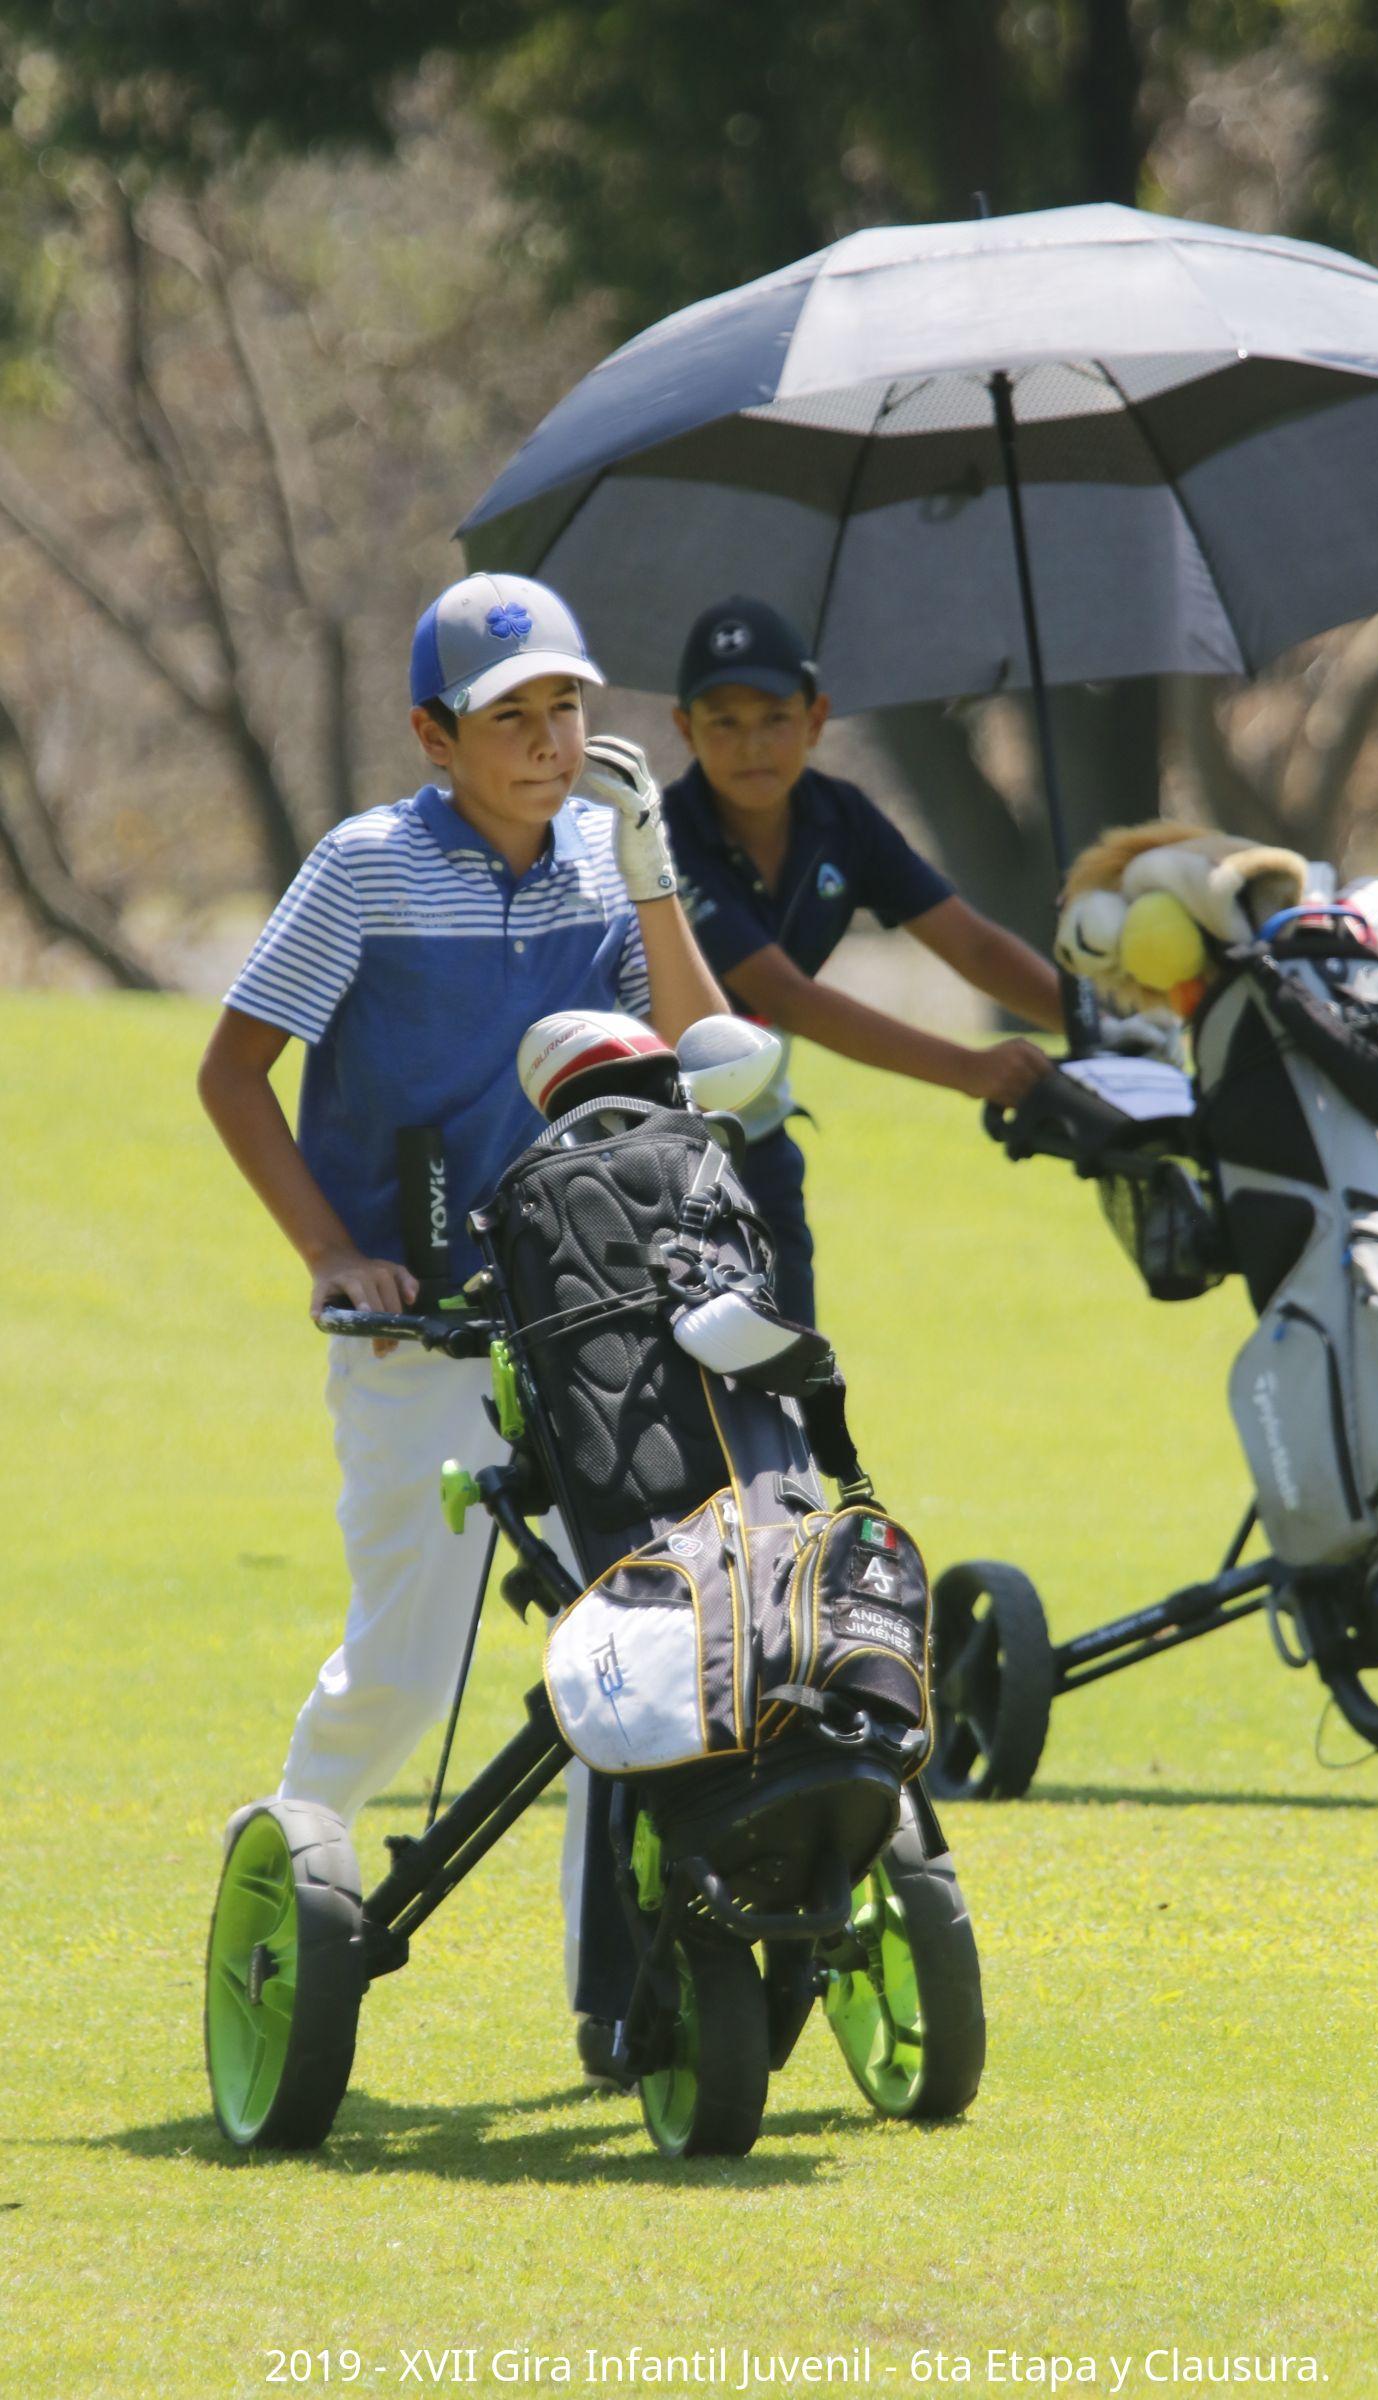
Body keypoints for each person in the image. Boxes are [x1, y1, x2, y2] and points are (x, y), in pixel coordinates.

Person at [198, 575, 726, 2004]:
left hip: (586, 1320)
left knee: (629, 1654)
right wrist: (329, 1254)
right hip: (414, 1334)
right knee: (407, 1674)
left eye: (566, 706)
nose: (551, 741)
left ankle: (620, 1997)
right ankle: (285, 1882)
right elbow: (231, 1073)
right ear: (436, 737)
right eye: (510, 717)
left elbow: (692, 1055)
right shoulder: (364, 866)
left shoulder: (607, 858)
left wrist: (653, 868)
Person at [663, 596, 1063, 1323]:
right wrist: (971, 1069)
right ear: (684, 728)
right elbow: (785, 997)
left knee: (790, 1370)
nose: (752, 744)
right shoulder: (665, 837)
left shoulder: (841, 819)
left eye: (775, 718)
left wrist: (1097, 1022)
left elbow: (972, 944)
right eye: (724, 722)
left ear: (815, 720)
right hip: (647, 1147)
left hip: (757, 1138)